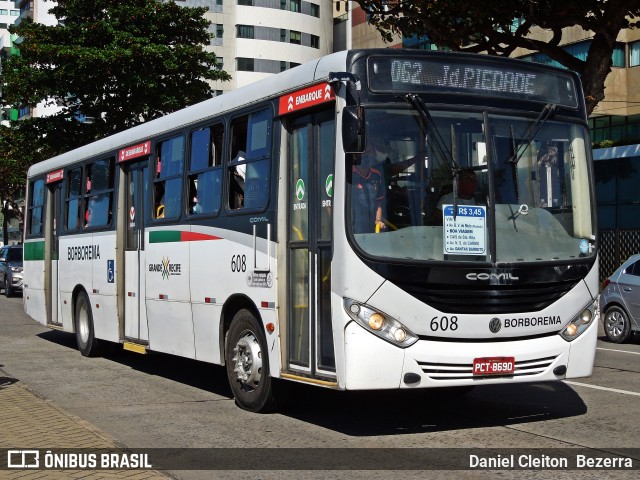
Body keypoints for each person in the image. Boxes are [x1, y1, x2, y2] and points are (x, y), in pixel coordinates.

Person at [351, 144, 386, 234]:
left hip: (371, 228)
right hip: (351, 230)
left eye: (370, 152)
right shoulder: (348, 174)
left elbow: (378, 201)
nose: (367, 155)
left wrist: (378, 220)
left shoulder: (376, 175)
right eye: (364, 152)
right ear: (356, 155)